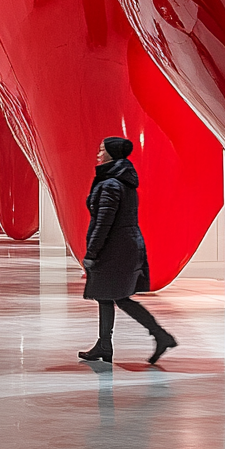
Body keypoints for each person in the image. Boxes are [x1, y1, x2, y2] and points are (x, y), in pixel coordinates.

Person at [79, 136, 177, 365]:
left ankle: (159, 336)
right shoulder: (122, 181)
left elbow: (104, 222)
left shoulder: (110, 184)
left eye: (102, 150)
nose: (98, 154)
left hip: (115, 249)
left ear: (112, 154)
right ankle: (106, 344)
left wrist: (92, 252)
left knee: (116, 297)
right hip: (124, 246)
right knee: (109, 296)